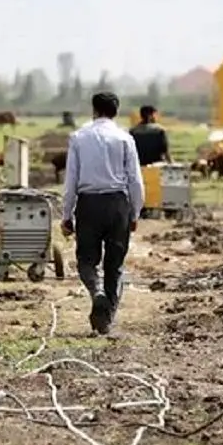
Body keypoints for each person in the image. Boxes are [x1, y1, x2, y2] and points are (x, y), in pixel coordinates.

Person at [60, 92, 145, 335]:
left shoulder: (78, 137)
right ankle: (105, 320)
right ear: (115, 112)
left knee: (87, 260)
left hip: (89, 205)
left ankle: (96, 291)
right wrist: (134, 213)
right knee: (115, 265)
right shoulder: (125, 139)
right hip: (118, 203)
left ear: (94, 110)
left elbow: (71, 181)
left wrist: (67, 215)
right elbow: (135, 181)